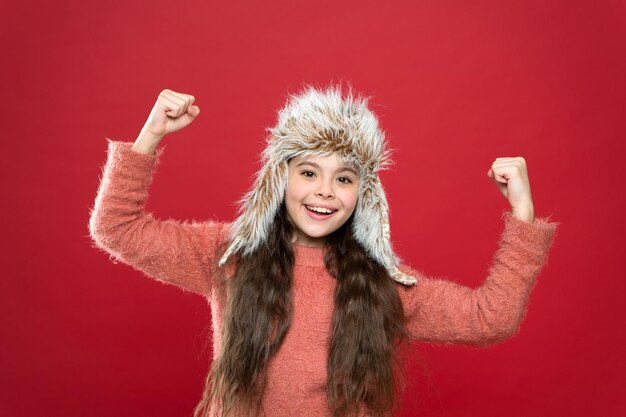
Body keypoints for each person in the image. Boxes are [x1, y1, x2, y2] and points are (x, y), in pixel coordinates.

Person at [88, 85, 559, 417]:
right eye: (309, 172)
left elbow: (490, 317)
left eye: (345, 178)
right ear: (280, 177)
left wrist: (522, 212)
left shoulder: (383, 286)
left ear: (364, 195)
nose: (325, 192)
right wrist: (150, 136)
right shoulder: (229, 253)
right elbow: (117, 228)